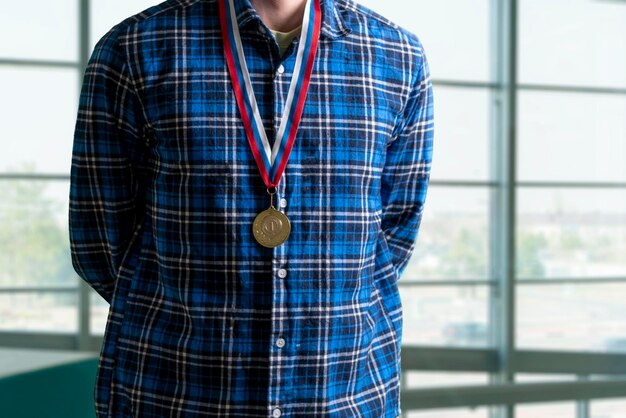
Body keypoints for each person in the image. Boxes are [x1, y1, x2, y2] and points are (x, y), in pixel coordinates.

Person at [68, 0, 434, 416]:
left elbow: (394, 232)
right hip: (176, 394)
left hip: (342, 395)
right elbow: (98, 238)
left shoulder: (397, 55)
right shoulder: (134, 48)